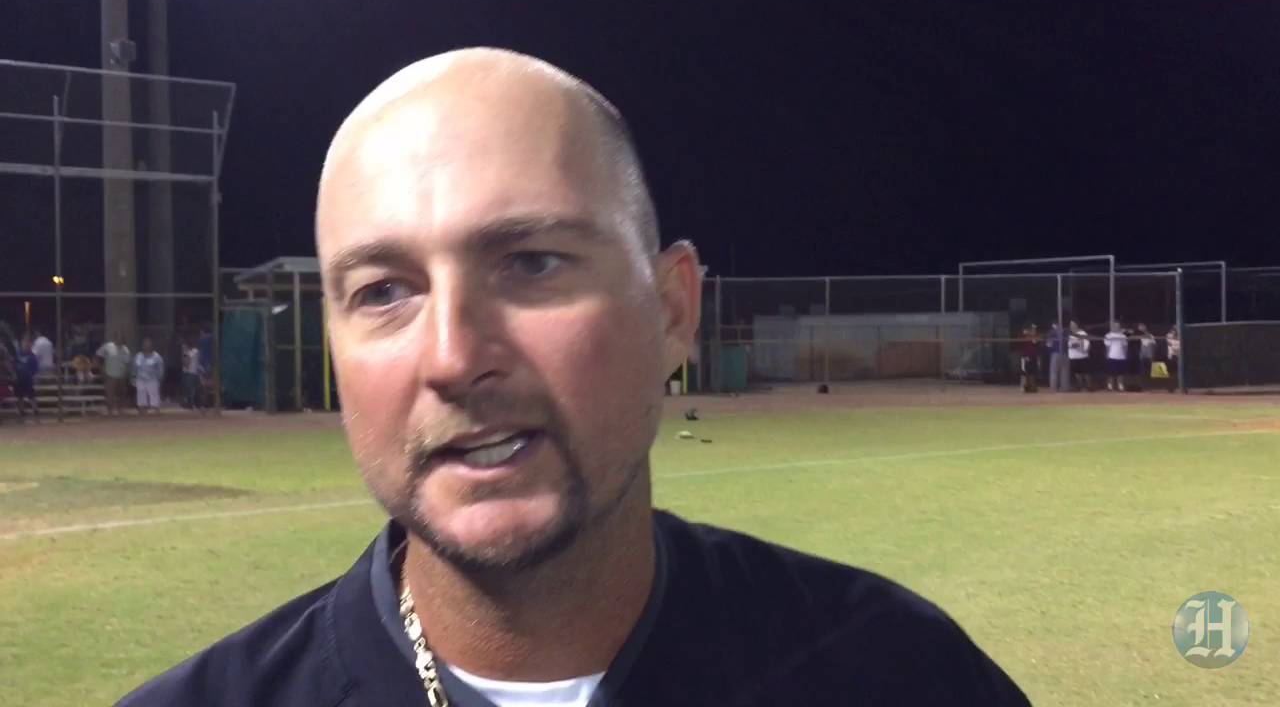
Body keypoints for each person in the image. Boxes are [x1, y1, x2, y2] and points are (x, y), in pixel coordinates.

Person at [115, 48, 1029, 707]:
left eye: (532, 263)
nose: (452, 357)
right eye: (384, 291)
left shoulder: (900, 673)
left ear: (672, 311)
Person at [96, 333, 131, 416]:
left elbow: (127, 363)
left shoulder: (125, 349)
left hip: (121, 375)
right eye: (119, 338)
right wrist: (101, 370)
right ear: (115, 338)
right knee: (110, 394)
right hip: (110, 375)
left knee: (122, 393)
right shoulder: (107, 346)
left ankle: (120, 410)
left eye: (122, 339)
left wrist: (126, 373)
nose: (120, 340)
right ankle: (110, 411)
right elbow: (97, 356)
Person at [132, 338, 164, 415]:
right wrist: (133, 377)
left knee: (154, 394)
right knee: (141, 394)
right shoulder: (138, 356)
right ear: (142, 346)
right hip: (140, 379)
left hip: (152, 379)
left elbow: (160, 369)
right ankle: (142, 409)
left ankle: (155, 409)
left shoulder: (157, 357)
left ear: (152, 346)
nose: (147, 346)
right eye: (145, 345)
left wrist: (159, 378)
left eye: (148, 345)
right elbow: (134, 367)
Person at [13, 335, 40, 420]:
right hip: (19, 377)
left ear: (31, 345)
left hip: (28, 378)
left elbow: (35, 368)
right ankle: (21, 411)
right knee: (19, 395)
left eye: (28, 343)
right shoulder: (18, 354)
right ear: (21, 343)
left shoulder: (32, 356)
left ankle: (35, 410)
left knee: (31, 395)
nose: (26, 345)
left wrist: (34, 376)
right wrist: (14, 374)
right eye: (24, 343)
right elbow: (14, 365)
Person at [1103, 321, 1129, 392]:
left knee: (1120, 373)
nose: (1116, 327)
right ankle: (1110, 387)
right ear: (1112, 327)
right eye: (1115, 326)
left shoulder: (1123, 336)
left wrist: (1125, 355)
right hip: (1111, 356)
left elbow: (1125, 347)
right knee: (1110, 373)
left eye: (1118, 326)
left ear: (1119, 327)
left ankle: (1120, 386)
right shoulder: (1108, 335)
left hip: (1121, 357)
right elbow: (1107, 347)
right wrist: (1107, 355)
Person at [181, 338, 205, 414]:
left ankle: (192, 405)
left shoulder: (190, 353)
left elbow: (186, 364)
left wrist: (184, 354)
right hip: (194, 373)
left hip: (190, 374)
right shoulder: (196, 351)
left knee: (190, 391)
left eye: (184, 347)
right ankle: (198, 406)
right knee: (195, 390)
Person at [1067, 321, 1091, 391]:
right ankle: (1079, 386)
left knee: (1086, 372)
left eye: (1073, 324)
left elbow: (1087, 343)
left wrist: (1084, 349)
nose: (1072, 326)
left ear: (1077, 325)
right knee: (1077, 373)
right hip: (1073, 356)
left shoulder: (1083, 333)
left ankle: (1089, 386)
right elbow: (1068, 344)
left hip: (1083, 356)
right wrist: (1075, 345)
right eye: (1070, 325)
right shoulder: (1069, 334)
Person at [1045, 322, 1067, 392]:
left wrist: (1049, 351)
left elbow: (1048, 345)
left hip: (1055, 353)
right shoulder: (1065, 332)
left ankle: (1053, 388)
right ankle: (1064, 387)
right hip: (1064, 353)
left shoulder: (1051, 333)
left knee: (1054, 371)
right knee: (1064, 372)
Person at [1018, 323, 1038, 393]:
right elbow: (1022, 347)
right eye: (1030, 329)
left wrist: (1033, 332)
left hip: (1032, 356)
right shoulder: (1022, 336)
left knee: (1032, 371)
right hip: (1025, 356)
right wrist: (1025, 356)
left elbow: (1035, 342)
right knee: (1024, 371)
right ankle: (1023, 386)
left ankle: (1031, 386)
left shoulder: (1032, 336)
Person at [1136, 323, 1157, 391]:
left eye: (1142, 327)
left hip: (1149, 356)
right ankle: (1143, 386)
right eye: (1140, 328)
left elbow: (1154, 345)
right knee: (1143, 371)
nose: (1141, 329)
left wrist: (1152, 355)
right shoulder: (1138, 335)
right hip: (1142, 355)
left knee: (1151, 370)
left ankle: (1151, 386)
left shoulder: (1150, 335)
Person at [1165, 326, 1181, 393]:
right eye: (1174, 330)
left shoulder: (1180, 339)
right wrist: (1173, 331)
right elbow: (1168, 339)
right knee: (1171, 373)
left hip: (1179, 358)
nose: (1174, 332)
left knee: (1178, 373)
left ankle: (1179, 387)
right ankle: (1170, 388)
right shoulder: (1170, 337)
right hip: (1171, 357)